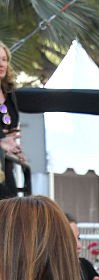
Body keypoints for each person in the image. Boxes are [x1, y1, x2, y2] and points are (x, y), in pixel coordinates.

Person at [0, 40, 30, 199]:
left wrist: (17, 147)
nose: (1, 64)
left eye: (4, 59)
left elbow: (13, 128)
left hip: (6, 167)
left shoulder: (10, 95)